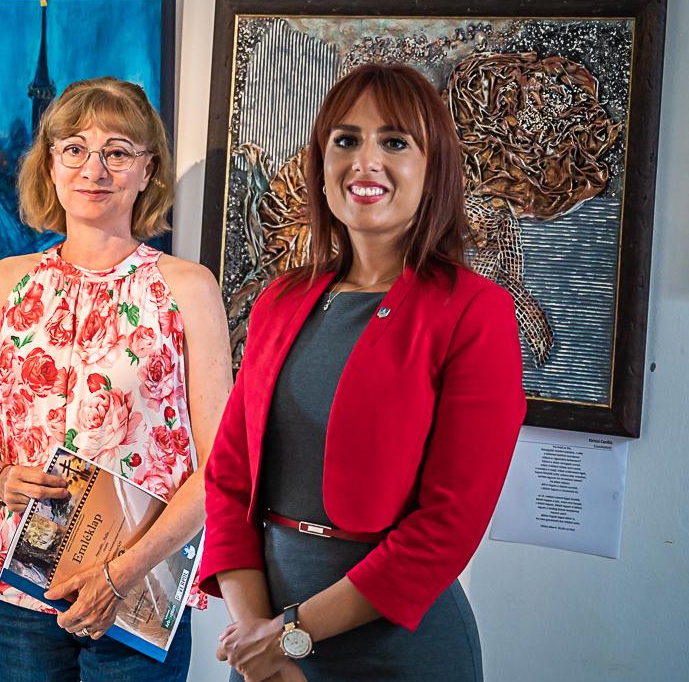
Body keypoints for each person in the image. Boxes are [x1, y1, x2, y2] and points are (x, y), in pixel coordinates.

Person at [199, 63, 526, 682]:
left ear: (434, 169)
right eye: (346, 140)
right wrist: (261, 641)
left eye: (395, 142)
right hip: (264, 645)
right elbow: (228, 481)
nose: (365, 161)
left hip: (397, 652)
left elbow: (448, 524)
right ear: (321, 167)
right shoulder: (280, 301)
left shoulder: (474, 310)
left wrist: (290, 635)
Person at [0, 77, 232, 682]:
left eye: (117, 151)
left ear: (147, 170)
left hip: (138, 585)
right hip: (19, 586)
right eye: (75, 148)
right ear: (50, 163)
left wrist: (122, 572)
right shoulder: (4, 283)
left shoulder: (187, 288)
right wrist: (0, 478)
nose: (94, 168)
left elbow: (221, 467)